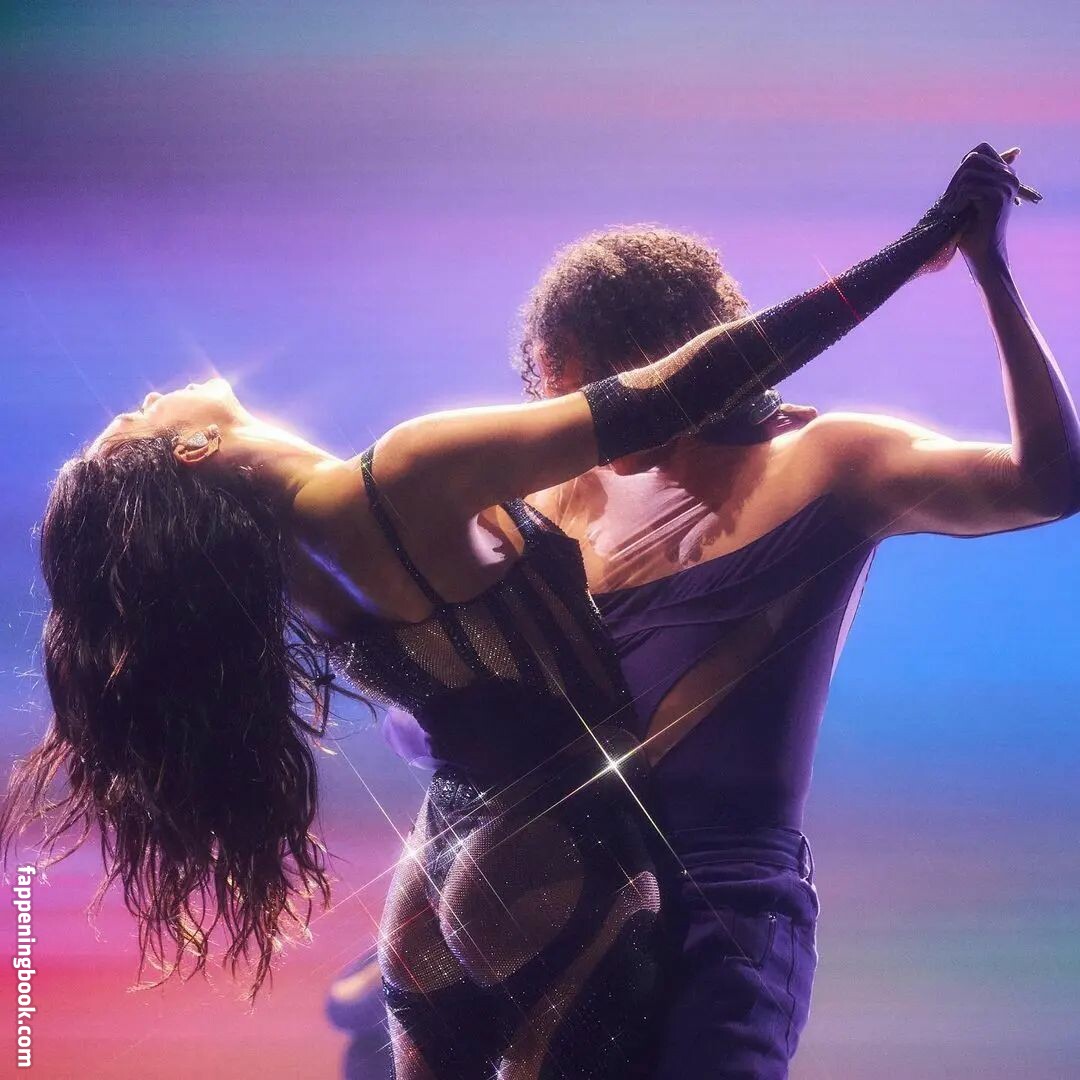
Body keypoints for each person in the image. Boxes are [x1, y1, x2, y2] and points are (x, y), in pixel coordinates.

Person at [1, 145, 1010, 1079]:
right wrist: (917, 247)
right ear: (191, 454)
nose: (145, 397)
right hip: (556, 869)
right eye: (134, 422)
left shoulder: (288, 570)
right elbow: (669, 392)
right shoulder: (401, 472)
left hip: (437, 883)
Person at [509, 143, 1077, 1077]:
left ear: (647, 358)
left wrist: (991, 269)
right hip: (565, 905)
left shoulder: (826, 461)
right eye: (548, 390)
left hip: (727, 909)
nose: (565, 413)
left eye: (575, 383)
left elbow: (1046, 481)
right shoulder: (557, 505)